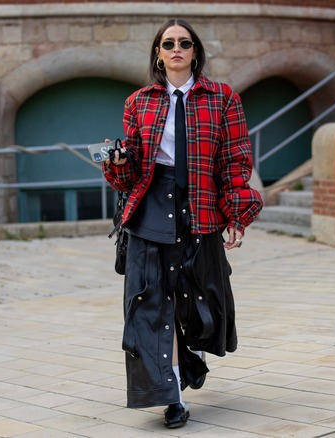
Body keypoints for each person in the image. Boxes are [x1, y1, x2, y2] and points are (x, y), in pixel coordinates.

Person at [102, 18, 263, 429]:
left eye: (184, 43)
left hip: (200, 206)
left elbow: (235, 160)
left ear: (195, 52)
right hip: (150, 209)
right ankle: (171, 395)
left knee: (197, 302)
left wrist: (237, 215)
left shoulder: (223, 97)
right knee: (151, 303)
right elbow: (131, 172)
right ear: (158, 53)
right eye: (168, 43)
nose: (176, 49)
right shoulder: (138, 102)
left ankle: (187, 359)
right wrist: (118, 162)